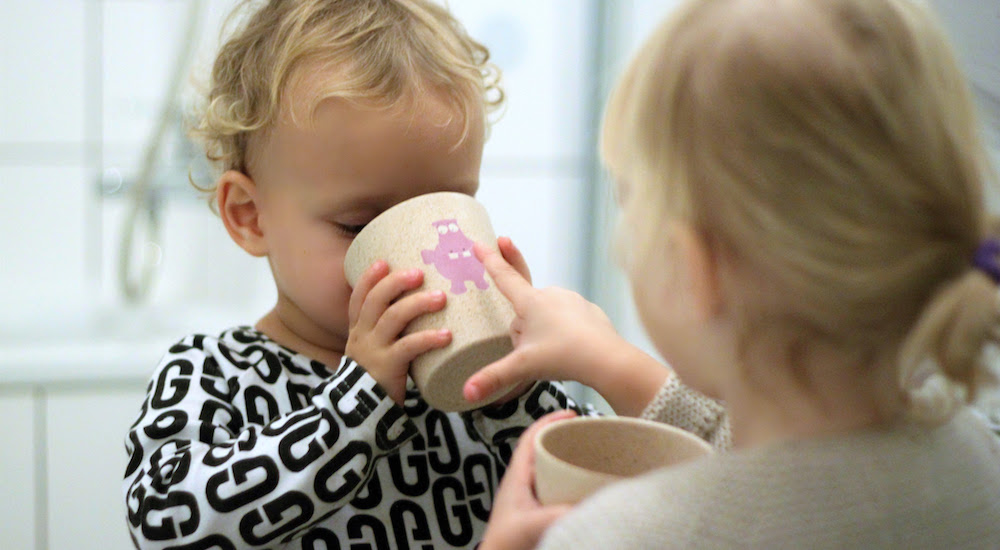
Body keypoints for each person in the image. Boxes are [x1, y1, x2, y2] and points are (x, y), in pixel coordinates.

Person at [472, 0, 1000, 548]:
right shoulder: (975, 456)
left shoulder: (615, 536)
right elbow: (805, 473)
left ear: (696, 268)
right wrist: (608, 359)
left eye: (629, 203)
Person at [121, 1, 607, 548]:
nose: (414, 262)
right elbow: (165, 523)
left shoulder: (475, 381)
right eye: (360, 226)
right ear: (250, 216)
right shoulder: (213, 373)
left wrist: (514, 393)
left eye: (444, 212)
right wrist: (355, 405)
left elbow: (600, 506)